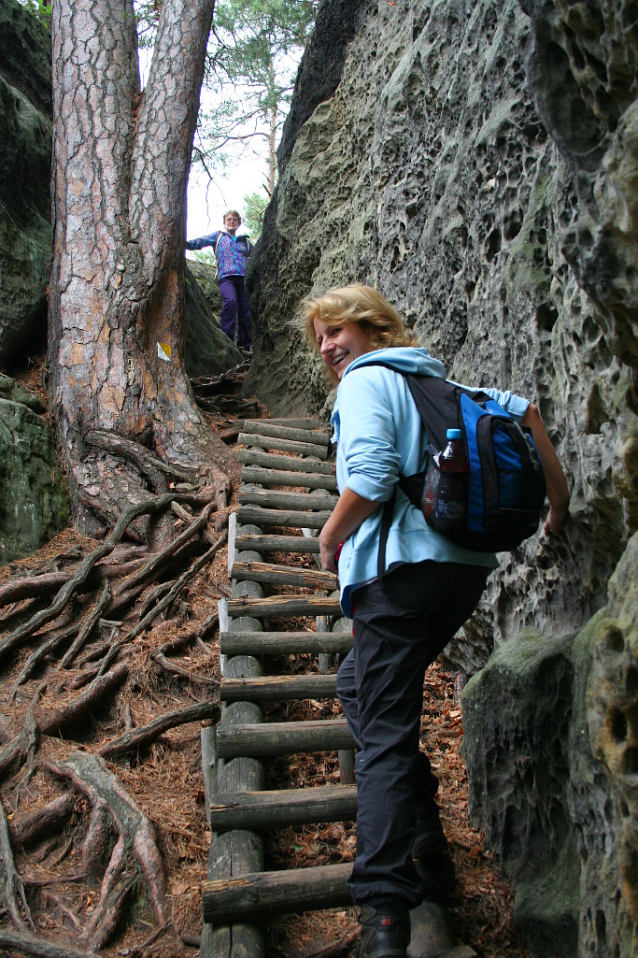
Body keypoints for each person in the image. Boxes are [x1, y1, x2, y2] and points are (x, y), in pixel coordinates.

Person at [301, 285, 570, 958]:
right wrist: (556, 508)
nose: (331, 346)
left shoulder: (366, 384)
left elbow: (370, 473)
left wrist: (329, 539)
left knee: (385, 737)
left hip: (399, 574)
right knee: (357, 684)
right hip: (463, 570)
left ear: (373, 329)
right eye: (322, 338)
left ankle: (385, 916)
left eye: (341, 331)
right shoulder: (440, 383)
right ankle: (425, 834)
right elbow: (526, 413)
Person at [186, 210, 253, 353]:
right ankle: (227, 341)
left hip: (243, 279)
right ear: (224, 222)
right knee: (231, 302)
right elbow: (201, 241)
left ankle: (244, 346)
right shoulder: (219, 236)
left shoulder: (245, 242)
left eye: (235, 219)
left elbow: (256, 258)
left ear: (238, 223)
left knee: (245, 312)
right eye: (229, 219)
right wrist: (184, 243)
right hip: (226, 278)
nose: (231, 221)